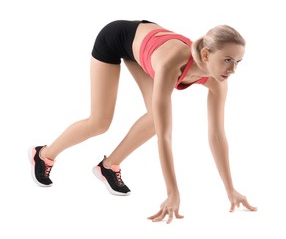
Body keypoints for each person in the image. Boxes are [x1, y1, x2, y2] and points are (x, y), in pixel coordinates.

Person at [29, 19, 257, 223]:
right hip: (116, 38)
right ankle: (44, 154)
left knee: (154, 119)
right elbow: (165, 136)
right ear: (206, 55)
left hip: (146, 46)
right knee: (100, 122)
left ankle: (108, 167)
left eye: (238, 62)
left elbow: (217, 135)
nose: (233, 69)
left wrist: (231, 189)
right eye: (228, 60)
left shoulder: (218, 81)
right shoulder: (172, 63)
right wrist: (172, 193)